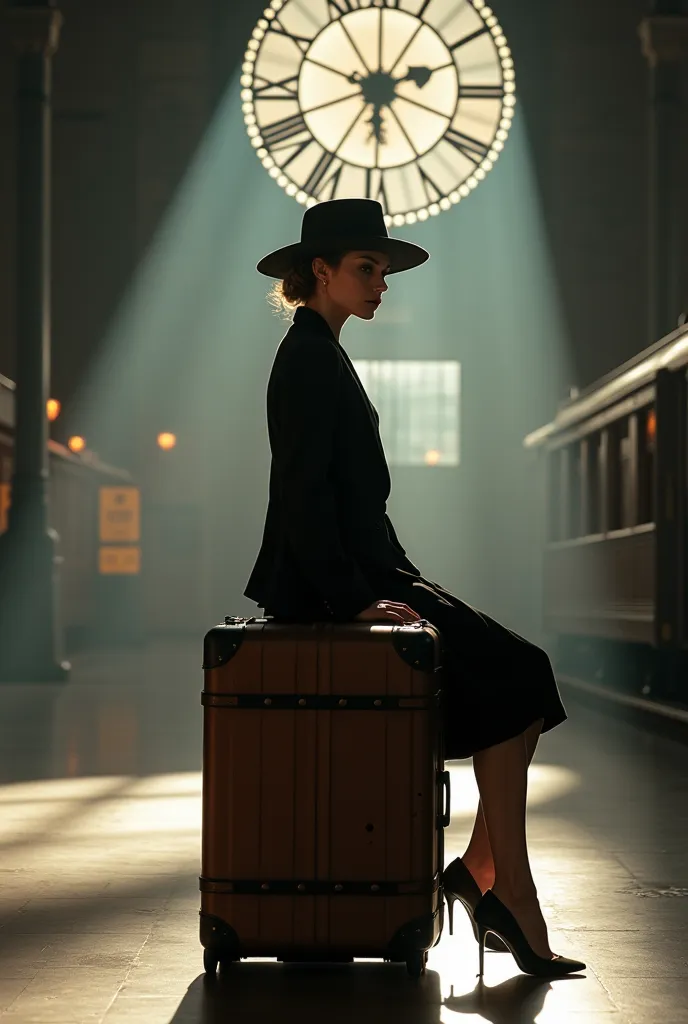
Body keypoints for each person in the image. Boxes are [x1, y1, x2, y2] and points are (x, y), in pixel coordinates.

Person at [244, 198, 585, 979]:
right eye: (368, 269)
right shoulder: (305, 358)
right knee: (522, 674)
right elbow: (301, 496)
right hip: (332, 583)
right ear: (320, 273)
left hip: (367, 573)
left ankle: (483, 875)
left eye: (384, 272)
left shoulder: (320, 351)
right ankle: (509, 895)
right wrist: (351, 600)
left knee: (526, 677)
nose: (383, 284)